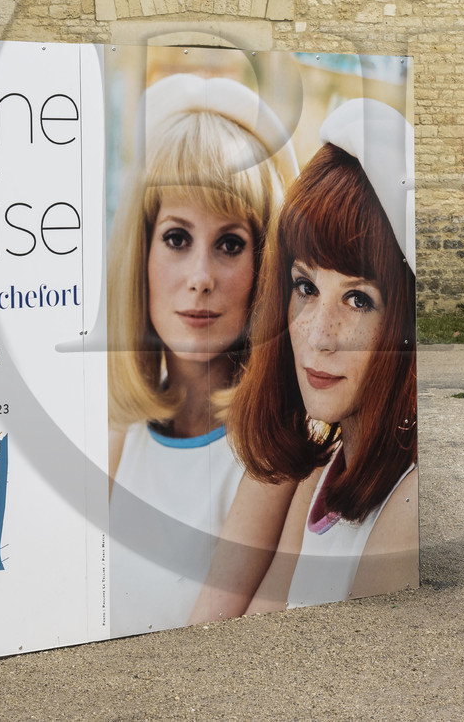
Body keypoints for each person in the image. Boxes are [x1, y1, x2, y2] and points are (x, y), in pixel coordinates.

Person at [104, 74, 296, 636]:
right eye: (177, 237)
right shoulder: (120, 431)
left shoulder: (273, 452)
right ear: (141, 250)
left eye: (231, 244)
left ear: (268, 264)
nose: (201, 279)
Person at [226, 99, 418, 613]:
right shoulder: (322, 471)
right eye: (306, 286)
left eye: (359, 299)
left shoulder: (407, 501)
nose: (318, 336)